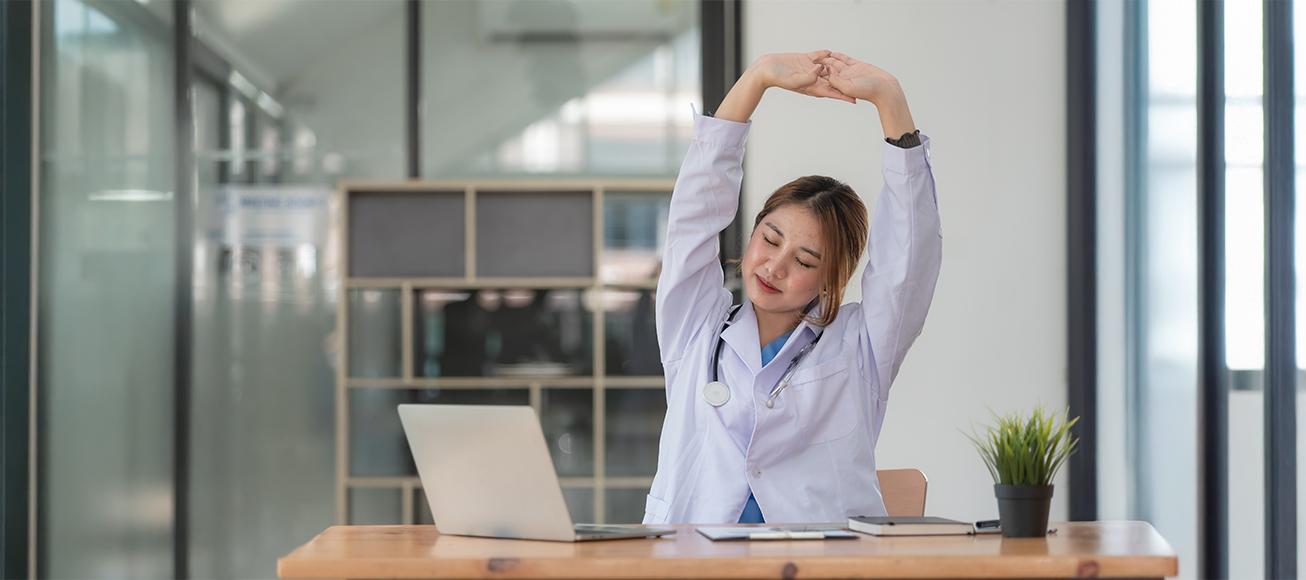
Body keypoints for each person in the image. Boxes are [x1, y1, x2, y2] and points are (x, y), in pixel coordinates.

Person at [643, 50, 943, 525]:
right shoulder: (695, 327)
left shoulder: (861, 346)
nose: (775, 266)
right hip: (693, 561)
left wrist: (890, 101)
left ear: (829, 280)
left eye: (805, 260)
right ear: (753, 230)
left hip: (818, 564)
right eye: (770, 239)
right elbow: (692, 219)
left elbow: (909, 262)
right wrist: (757, 79)